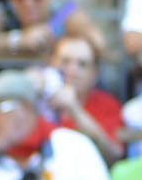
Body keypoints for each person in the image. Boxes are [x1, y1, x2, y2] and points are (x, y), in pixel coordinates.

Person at [41, 31, 126, 160]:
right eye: (65, 61)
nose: (73, 70)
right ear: (51, 63)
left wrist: (74, 109)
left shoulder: (108, 104)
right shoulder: (36, 98)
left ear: (95, 74)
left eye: (82, 64)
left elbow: (113, 156)